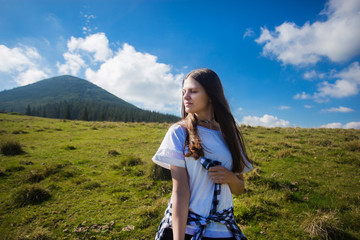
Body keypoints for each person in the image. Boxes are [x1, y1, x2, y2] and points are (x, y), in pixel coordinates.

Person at [152, 68, 253, 240]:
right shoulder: (179, 132)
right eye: (184, 92)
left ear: (211, 95)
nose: (186, 96)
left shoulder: (230, 134)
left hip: (223, 230)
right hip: (186, 229)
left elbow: (239, 189)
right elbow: (180, 192)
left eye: (193, 91)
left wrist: (230, 178)